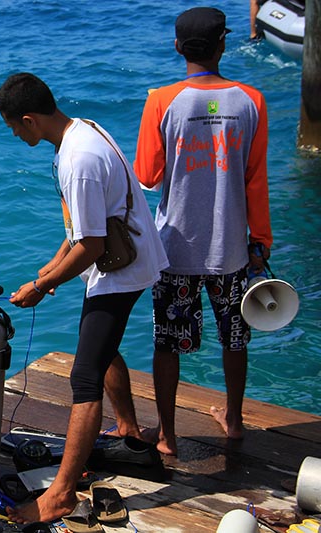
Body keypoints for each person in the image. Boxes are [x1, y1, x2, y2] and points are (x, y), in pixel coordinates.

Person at [0, 73, 168, 524]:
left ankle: (62, 494)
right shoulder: (82, 130)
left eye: (14, 126)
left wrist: (41, 287)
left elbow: (89, 246)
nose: (14, 134)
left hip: (122, 270)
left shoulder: (79, 160)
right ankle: (128, 428)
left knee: (83, 377)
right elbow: (77, 233)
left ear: (29, 120)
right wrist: (49, 273)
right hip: (125, 256)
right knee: (101, 347)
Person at [134, 7, 272, 457]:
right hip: (231, 247)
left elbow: (148, 175)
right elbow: (255, 178)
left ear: (177, 47)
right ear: (223, 45)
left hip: (175, 248)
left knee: (167, 343)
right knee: (236, 335)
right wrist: (261, 241)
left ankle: (168, 436)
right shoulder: (251, 100)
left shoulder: (161, 101)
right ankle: (233, 420)